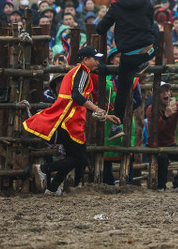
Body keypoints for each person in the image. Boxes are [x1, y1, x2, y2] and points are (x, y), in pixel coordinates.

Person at [25, 47, 120, 195]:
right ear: (85, 60)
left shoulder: (77, 72)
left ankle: (52, 188)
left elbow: (80, 100)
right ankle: (43, 169)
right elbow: (77, 96)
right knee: (80, 159)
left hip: (67, 119)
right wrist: (97, 109)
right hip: (70, 122)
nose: (97, 62)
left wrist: (105, 115)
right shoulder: (82, 72)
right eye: (94, 58)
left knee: (73, 158)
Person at [95, 0, 158, 126]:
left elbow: (100, 29)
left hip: (128, 57)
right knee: (155, 30)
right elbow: (150, 25)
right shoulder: (147, 4)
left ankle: (117, 124)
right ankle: (142, 63)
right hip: (148, 52)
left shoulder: (116, 7)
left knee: (123, 89)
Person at [100, 47, 142, 185]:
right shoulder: (103, 77)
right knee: (105, 150)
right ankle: (107, 181)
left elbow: (138, 99)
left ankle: (127, 180)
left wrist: (125, 109)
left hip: (125, 119)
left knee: (126, 150)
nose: (120, 59)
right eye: (117, 56)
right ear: (111, 59)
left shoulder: (132, 77)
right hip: (106, 120)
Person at [150, 81, 178, 190]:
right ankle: (161, 186)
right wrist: (165, 116)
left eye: (167, 91)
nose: (166, 94)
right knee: (162, 158)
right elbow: (154, 131)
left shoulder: (175, 106)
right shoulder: (151, 109)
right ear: (156, 95)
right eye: (162, 92)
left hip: (170, 144)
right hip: (155, 145)